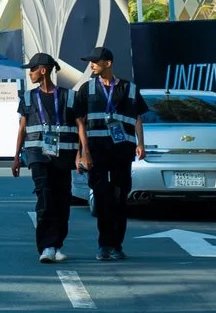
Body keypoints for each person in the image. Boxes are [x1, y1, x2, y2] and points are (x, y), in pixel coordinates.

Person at [74, 44, 148, 261]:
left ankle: (116, 245)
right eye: (90, 62)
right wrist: (82, 153)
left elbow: (138, 118)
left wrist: (141, 143)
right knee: (101, 197)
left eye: (95, 62)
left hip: (122, 150)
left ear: (108, 63)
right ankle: (104, 244)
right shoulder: (86, 90)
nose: (91, 65)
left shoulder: (129, 88)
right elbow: (80, 122)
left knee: (119, 198)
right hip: (96, 152)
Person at [9, 52, 77, 264]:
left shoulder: (68, 96)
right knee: (45, 198)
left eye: (32, 69)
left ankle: (57, 245)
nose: (30, 73)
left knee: (62, 201)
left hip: (63, 154)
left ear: (44, 70)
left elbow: (80, 125)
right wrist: (16, 157)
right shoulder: (28, 97)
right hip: (37, 155)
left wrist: (83, 154)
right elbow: (22, 129)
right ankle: (46, 246)